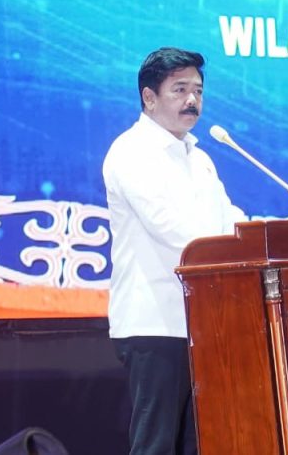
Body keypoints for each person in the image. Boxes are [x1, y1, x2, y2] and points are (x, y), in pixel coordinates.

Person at [103, 47, 244, 455]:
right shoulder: (131, 153)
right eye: (180, 89)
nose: (192, 100)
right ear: (149, 97)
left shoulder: (199, 159)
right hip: (154, 323)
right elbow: (173, 231)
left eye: (198, 90)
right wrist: (229, 247)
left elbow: (228, 217)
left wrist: (258, 236)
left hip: (202, 322)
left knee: (199, 444)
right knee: (156, 445)